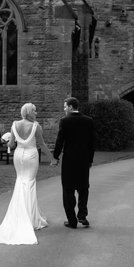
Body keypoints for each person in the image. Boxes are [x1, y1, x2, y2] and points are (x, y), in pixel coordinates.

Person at [0, 103, 51, 245]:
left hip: (18, 156)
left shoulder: (14, 124)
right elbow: (42, 145)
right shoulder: (36, 126)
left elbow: (11, 145)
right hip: (31, 156)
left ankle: (23, 216)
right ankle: (31, 219)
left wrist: (7, 141)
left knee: (20, 181)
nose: (36, 113)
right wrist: (53, 158)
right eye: (34, 110)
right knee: (30, 183)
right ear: (28, 112)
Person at [51, 97, 96, 229]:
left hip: (69, 161)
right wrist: (90, 160)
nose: (64, 109)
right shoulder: (89, 121)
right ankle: (82, 215)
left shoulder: (65, 121)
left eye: (65, 106)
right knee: (83, 188)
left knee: (68, 189)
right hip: (83, 160)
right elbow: (91, 143)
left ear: (70, 107)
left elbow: (60, 141)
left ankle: (72, 221)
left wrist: (55, 156)